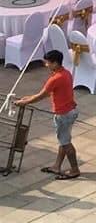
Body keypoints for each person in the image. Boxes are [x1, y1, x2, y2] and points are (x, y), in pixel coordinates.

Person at [14, 50, 80, 179]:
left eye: (48, 63)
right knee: (63, 140)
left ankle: (75, 170)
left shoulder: (55, 78)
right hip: (70, 111)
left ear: (55, 63)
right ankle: (57, 166)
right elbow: (46, 93)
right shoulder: (66, 73)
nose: (46, 65)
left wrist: (25, 102)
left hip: (63, 115)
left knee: (66, 143)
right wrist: (28, 97)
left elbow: (42, 95)